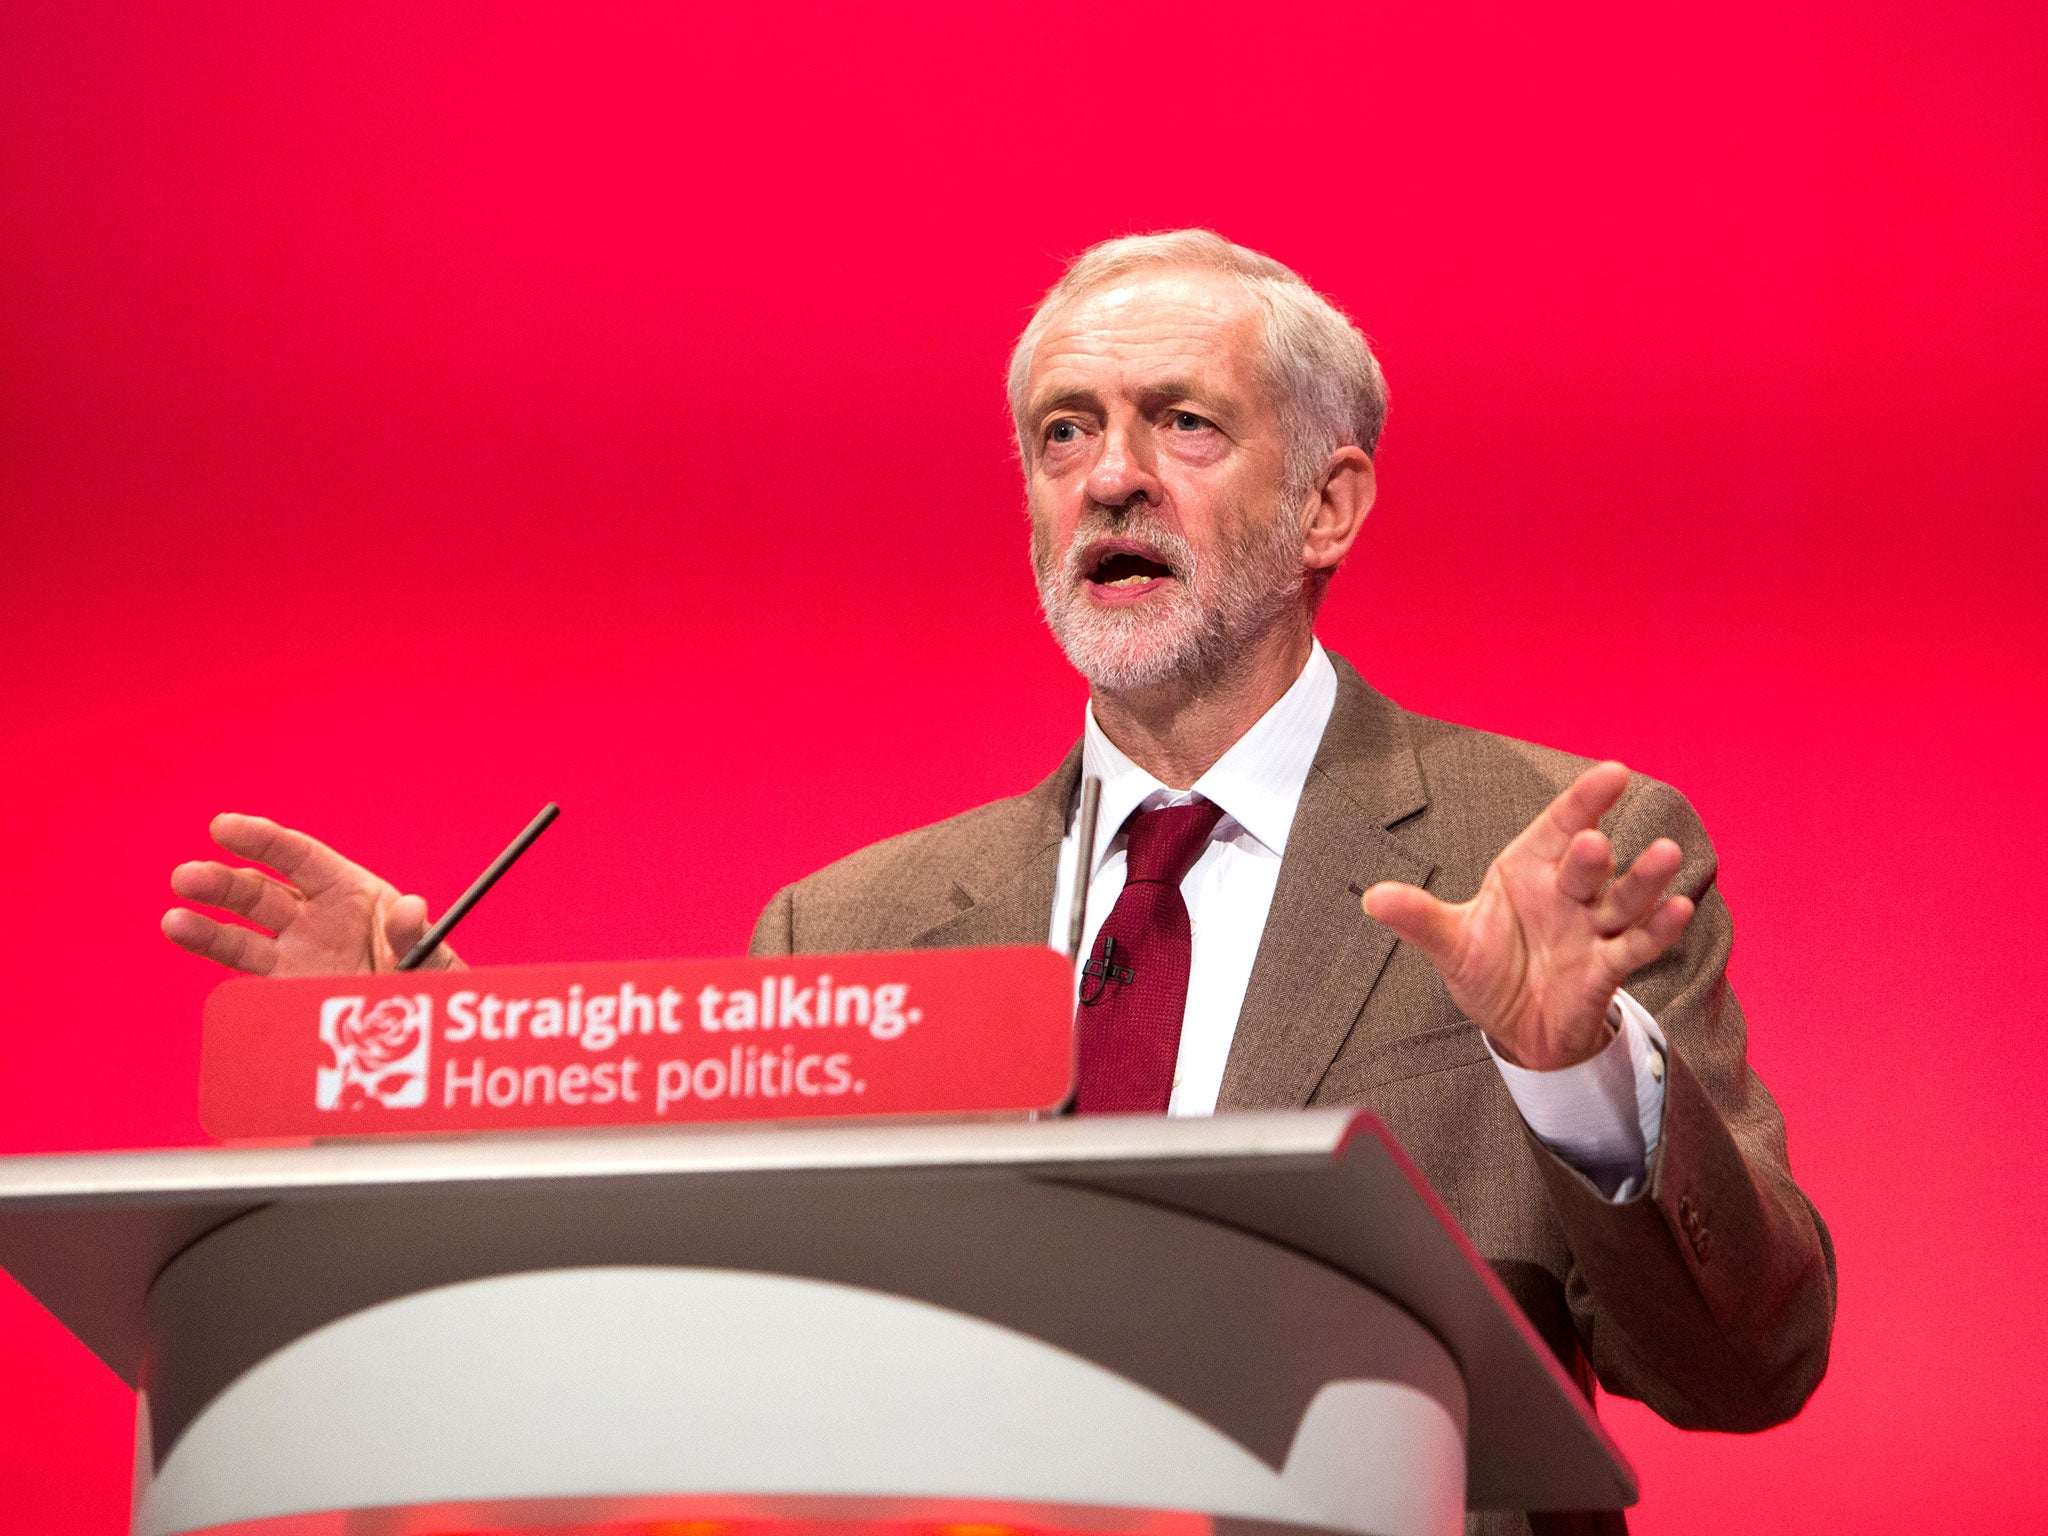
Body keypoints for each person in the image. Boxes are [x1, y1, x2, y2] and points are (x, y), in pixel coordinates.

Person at [164, 230, 1834, 1535]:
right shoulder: (857, 924)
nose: (1111, 474)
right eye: (1065, 434)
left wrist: (1576, 1079)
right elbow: (734, 1320)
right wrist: (457, 1070)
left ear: (1331, 502)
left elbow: (1749, 1364)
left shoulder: (1551, 854)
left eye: (1184, 423)